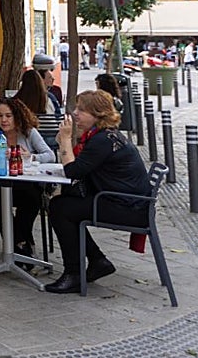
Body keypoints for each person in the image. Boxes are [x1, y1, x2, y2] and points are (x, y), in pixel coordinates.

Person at [44, 90, 152, 293]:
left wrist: (65, 141)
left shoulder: (102, 140)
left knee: (59, 208)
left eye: (82, 110)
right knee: (65, 202)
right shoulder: (105, 135)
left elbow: (72, 172)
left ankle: (74, 273)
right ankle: (96, 261)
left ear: (98, 115)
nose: (75, 113)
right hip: (128, 202)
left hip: (127, 207)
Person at [0, 97, 55, 259]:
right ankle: (21, 244)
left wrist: (31, 157)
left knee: (32, 198)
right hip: (0, 183)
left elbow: (50, 155)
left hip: (25, 183)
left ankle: (17, 244)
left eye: (8, 116)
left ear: (17, 116)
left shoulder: (28, 132)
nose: (3, 120)